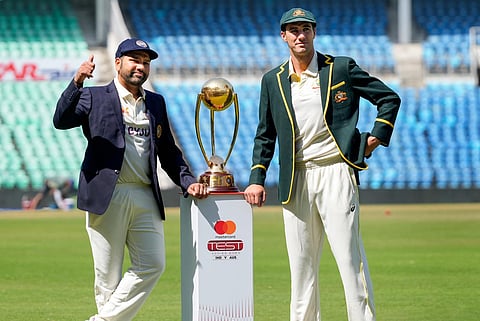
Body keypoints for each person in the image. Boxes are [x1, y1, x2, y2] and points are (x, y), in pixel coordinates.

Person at [243, 8, 401, 321]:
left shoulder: (340, 67)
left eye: (305, 29)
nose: (300, 36)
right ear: (283, 36)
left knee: (348, 259)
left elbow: (388, 98)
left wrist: (375, 137)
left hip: (336, 172)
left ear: (314, 32)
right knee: (301, 268)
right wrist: (256, 178)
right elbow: (265, 133)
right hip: (295, 179)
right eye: (293, 30)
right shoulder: (272, 80)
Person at [53, 38, 209, 321]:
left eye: (146, 62)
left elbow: (168, 152)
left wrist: (187, 181)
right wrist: (76, 82)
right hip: (107, 195)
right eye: (134, 60)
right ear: (118, 63)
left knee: (153, 264)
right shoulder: (93, 96)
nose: (141, 66)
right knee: (107, 277)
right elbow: (61, 120)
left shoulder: (156, 102)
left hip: (145, 194)